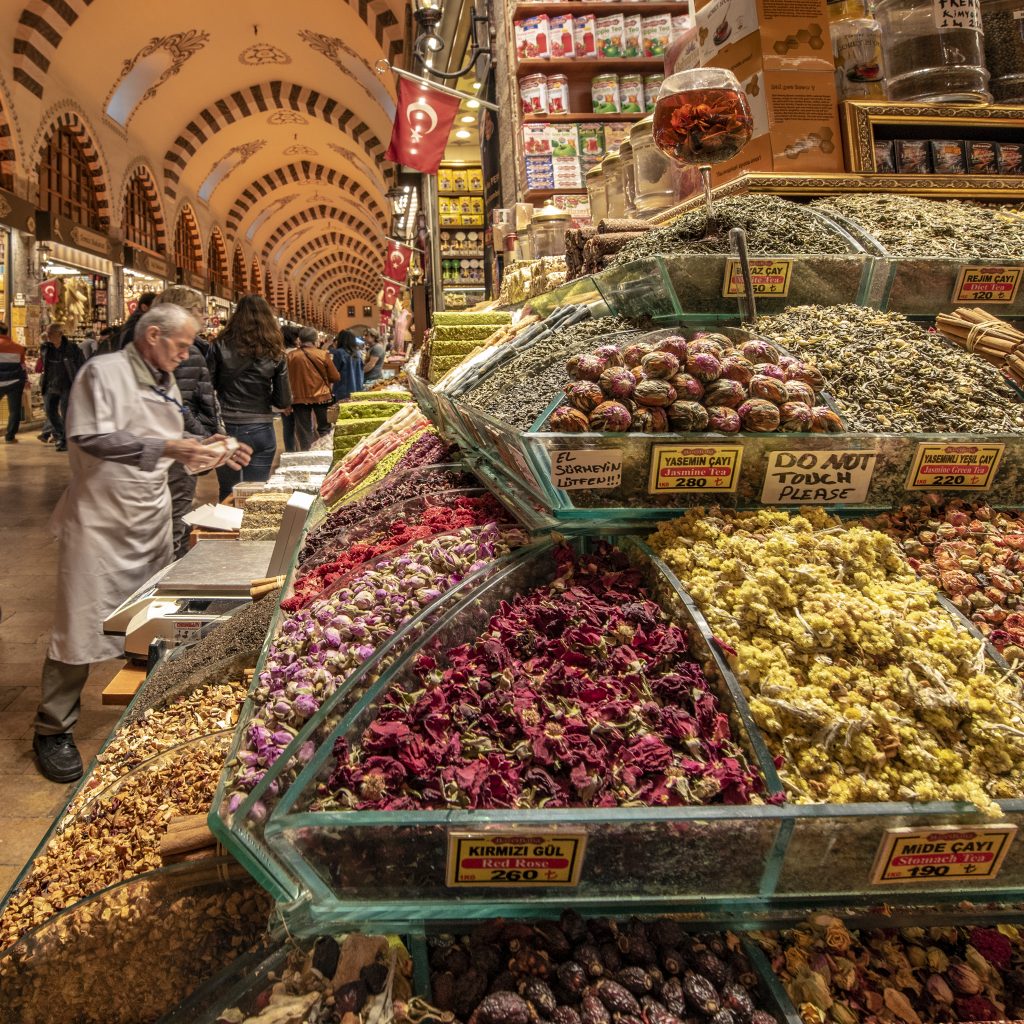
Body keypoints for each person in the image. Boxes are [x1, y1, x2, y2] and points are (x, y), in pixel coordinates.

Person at [33, 304, 251, 782]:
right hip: (99, 524)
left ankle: (143, 715)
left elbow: (169, 435)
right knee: (80, 624)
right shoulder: (102, 373)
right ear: (152, 335)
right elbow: (90, 436)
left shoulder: (163, 378)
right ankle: (53, 728)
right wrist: (170, 448)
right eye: (180, 345)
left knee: (147, 622)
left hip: (147, 520)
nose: (187, 353)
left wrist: (212, 443)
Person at [155, 287, 224, 559]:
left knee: (174, 518)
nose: (205, 317)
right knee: (177, 520)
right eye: (199, 311)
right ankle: (169, 587)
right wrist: (199, 439)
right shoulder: (183, 350)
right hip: (179, 447)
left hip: (175, 444)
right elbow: (177, 405)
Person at [210, 294, 291, 500]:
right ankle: (252, 532)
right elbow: (283, 401)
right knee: (256, 494)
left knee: (228, 491)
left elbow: (206, 387)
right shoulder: (275, 351)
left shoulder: (219, 345)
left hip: (226, 428)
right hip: (261, 428)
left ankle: (226, 531)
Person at [287, 325, 339, 449]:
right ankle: (325, 450)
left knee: (304, 430)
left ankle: (308, 454)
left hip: (298, 398)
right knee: (324, 428)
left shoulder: (291, 356)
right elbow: (335, 377)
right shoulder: (322, 354)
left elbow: (286, 379)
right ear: (315, 339)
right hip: (322, 397)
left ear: (300, 339)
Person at [40, 323, 85, 451]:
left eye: (50, 333)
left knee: (66, 414)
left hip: (67, 385)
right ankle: (61, 434)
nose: (47, 336)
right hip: (50, 384)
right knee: (49, 411)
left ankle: (65, 440)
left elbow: (81, 364)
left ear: (60, 334)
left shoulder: (72, 348)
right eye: (47, 333)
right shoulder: (45, 348)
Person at [0, 321, 28, 444]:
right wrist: (25, 380)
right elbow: (22, 366)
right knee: (14, 410)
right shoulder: (19, 348)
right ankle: (10, 437)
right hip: (15, 383)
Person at [280, 326, 301, 453]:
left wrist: (284, 402)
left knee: (288, 428)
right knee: (302, 427)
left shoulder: (280, 355)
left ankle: (290, 454)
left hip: (286, 397)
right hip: (300, 397)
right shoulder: (299, 354)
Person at [330, 329, 364, 402]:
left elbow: (334, 371)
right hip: (357, 388)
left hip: (343, 390)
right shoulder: (358, 353)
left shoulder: (339, 353)